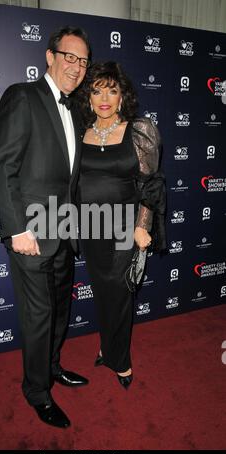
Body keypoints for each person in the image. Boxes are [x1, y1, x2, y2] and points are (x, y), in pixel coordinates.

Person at [0, 26, 91, 428]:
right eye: (69, 56)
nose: (76, 66)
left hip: (64, 232)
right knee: (38, 315)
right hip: (30, 235)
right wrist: (18, 230)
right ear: (49, 57)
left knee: (60, 311)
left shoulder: (76, 109)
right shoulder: (23, 96)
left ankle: (52, 367)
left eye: (82, 61)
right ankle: (36, 391)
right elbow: (4, 167)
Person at [77, 62, 166, 389]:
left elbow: (150, 183)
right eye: (97, 90)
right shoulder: (80, 131)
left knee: (119, 295)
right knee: (102, 293)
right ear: (88, 97)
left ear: (121, 97)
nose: (104, 97)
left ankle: (120, 360)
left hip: (125, 228)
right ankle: (107, 346)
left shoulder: (139, 130)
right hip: (90, 228)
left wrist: (144, 225)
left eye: (112, 91)